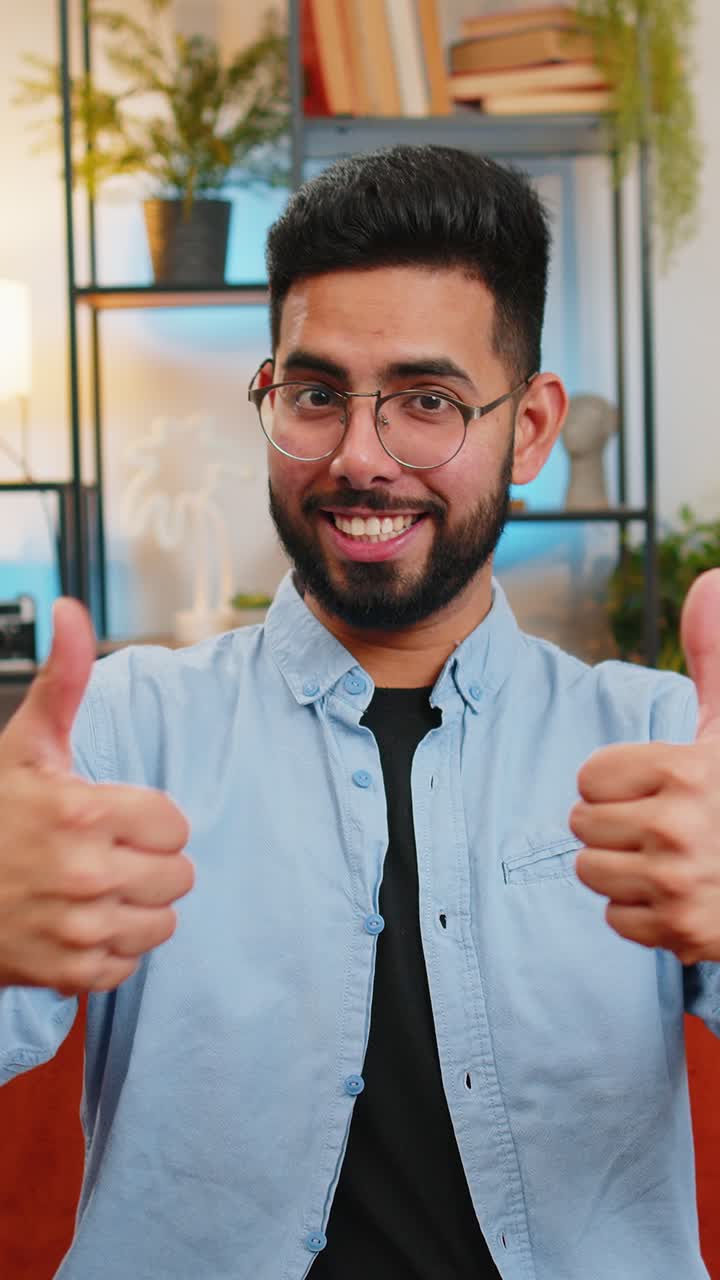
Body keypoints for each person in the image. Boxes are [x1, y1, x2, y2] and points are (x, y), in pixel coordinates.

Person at [0, 145, 718, 1280]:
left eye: (427, 402)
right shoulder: (123, 734)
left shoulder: (667, 751)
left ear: (529, 429)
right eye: (317, 394)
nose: (361, 458)